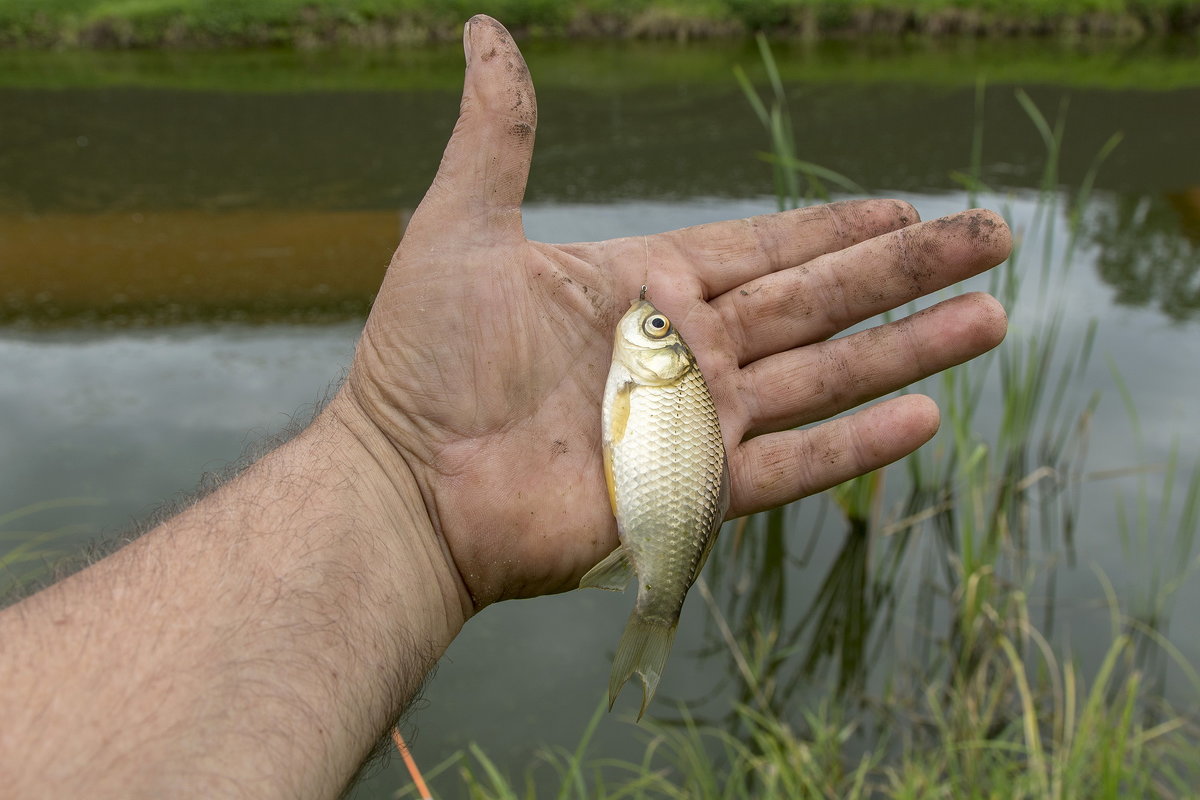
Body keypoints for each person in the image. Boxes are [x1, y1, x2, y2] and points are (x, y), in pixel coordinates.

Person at [0, 15, 1010, 799]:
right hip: (653, 490)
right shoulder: (645, 379)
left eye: (656, 337)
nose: (646, 329)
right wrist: (395, 467)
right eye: (653, 333)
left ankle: (649, 613)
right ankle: (650, 616)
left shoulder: (650, 380)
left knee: (660, 558)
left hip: (657, 506)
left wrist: (393, 488)